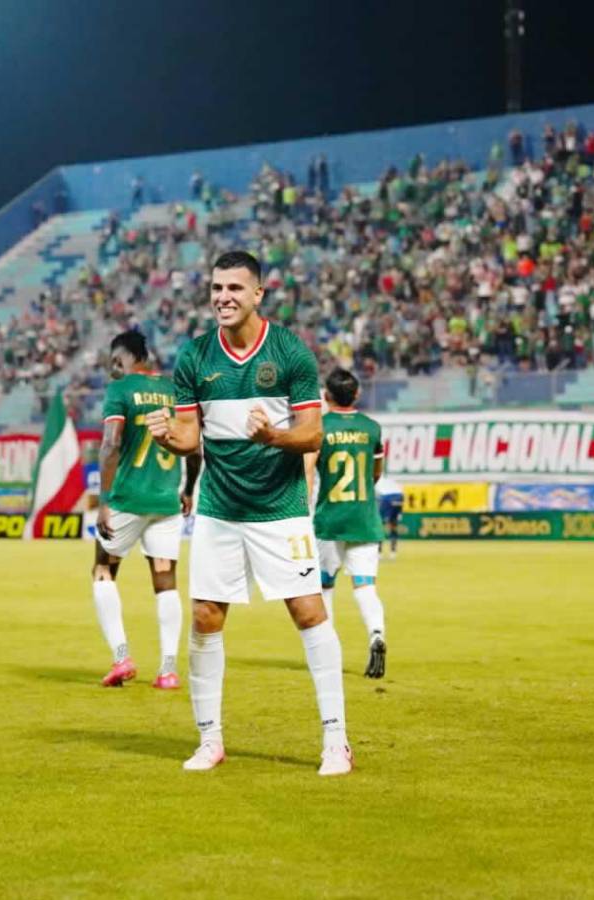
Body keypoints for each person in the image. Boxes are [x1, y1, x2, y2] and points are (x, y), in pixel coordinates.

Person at [145, 249, 352, 777]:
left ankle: (336, 741)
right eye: (217, 288)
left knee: (308, 612)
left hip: (280, 509)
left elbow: (313, 433)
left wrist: (274, 436)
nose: (223, 297)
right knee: (205, 617)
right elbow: (191, 439)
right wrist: (170, 438)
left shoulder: (289, 353)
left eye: (235, 289)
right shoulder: (193, 357)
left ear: (258, 294)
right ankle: (210, 739)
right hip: (219, 507)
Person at [93, 330, 201, 689]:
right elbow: (196, 447)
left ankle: (122, 657)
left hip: (127, 500)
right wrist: (188, 489)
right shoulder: (174, 391)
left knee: (103, 571)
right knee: (166, 582)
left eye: (115, 361)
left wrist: (104, 499)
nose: (112, 370)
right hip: (166, 503)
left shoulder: (120, 391)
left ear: (128, 357)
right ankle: (168, 670)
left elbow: (111, 444)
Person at [305, 368, 388, 679]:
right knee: (365, 586)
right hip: (365, 518)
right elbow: (376, 473)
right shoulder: (372, 428)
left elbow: (310, 471)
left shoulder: (320, 428)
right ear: (357, 395)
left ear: (326, 396)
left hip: (330, 518)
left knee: (324, 585)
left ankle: (328, 652)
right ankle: (376, 634)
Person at [376, 473, 404, 560]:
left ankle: (379, 552)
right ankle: (393, 552)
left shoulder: (375, 479)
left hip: (387, 498)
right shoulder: (389, 480)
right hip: (400, 497)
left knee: (380, 526)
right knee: (393, 525)